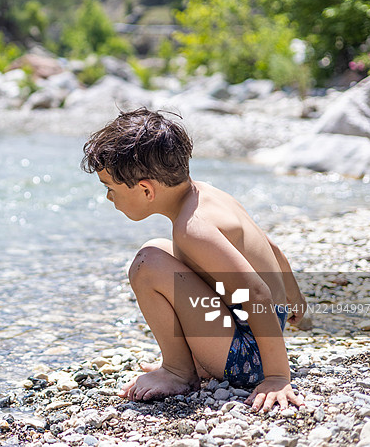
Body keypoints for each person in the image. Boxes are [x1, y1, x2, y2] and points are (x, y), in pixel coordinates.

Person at [81, 108, 307, 412]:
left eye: (110, 189)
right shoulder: (207, 194)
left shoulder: (194, 229)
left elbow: (255, 293)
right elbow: (271, 247)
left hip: (248, 356)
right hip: (261, 328)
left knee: (147, 264)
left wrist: (277, 377)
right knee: (160, 250)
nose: (109, 197)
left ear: (146, 189)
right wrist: (294, 299)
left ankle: (178, 372)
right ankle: (188, 362)